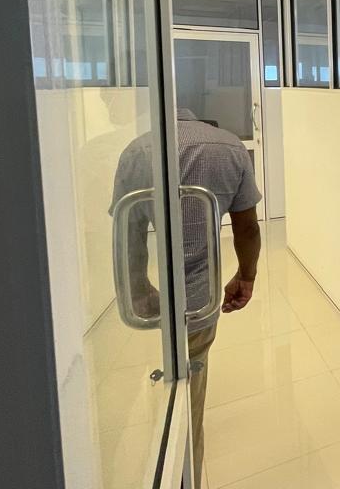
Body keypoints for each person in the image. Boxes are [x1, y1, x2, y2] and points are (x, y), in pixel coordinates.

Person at [111, 107, 262, 486]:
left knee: (167, 388)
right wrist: (246, 276)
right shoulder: (230, 147)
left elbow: (128, 234)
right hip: (201, 299)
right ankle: (185, 475)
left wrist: (138, 290)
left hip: (148, 306)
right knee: (188, 396)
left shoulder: (136, 150)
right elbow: (247, 229)